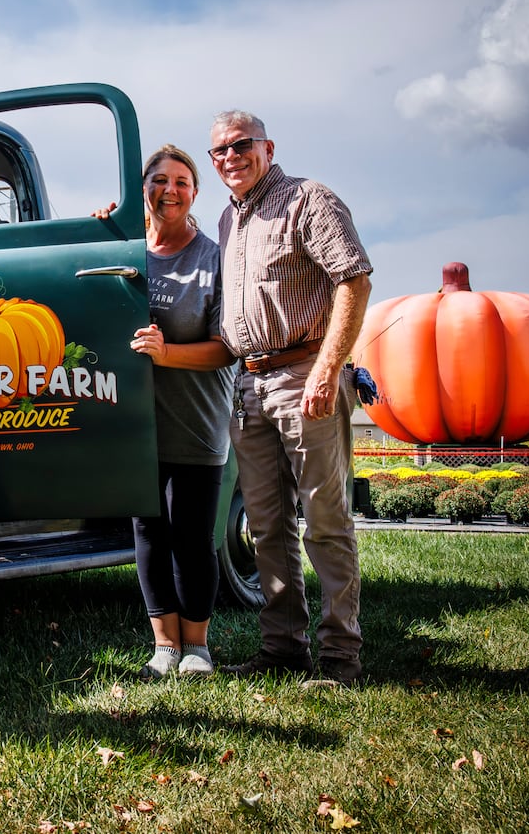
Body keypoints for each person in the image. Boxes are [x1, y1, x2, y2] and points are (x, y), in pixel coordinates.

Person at [208, 110, 372, 688]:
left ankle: (339, 658)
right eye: (220, 151)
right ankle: (282, 648)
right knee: (265, 526)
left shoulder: (308, 199)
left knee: (325, 522)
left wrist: (328, 371)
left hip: (307, 375)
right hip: (249, 386)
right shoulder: (229, 223)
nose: (231, 157)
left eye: (241, 145)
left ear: (267, 147)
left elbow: (354, 281)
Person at [102, 146, 235, 678]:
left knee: (192, 536)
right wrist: (103, 229)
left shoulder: (213, 257)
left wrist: (167, 354)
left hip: (196, 420)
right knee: (149, 533)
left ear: (195, 193)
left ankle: (198, 648)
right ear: (144, 191)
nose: (170, 190)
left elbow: (227, 347)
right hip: (136, 422)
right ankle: (164, 646)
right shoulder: (125, 251)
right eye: (159, 180)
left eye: (182, 181)